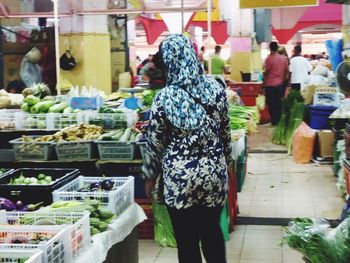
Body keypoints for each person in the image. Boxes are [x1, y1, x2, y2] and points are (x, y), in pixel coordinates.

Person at [143, 34, 234, 263]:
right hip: (213, 172)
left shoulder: (164, 97)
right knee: (212, 233)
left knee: (187, 241)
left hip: (180, 177)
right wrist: (228, 163)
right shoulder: (216, 88)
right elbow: (225, 133)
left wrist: (150, 176)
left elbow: (155, 142)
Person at [263, 42, 289, 126]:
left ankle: (274, 121)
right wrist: (283, 80)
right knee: (279, 103)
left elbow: (266, 72)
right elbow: (287, 72)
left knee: (271, 104)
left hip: (270, 85)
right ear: (277, 48)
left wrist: (262, 83)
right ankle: (279, 120)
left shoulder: (269, 59)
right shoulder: (284, 59)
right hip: (279, 85)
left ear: (270, 48)